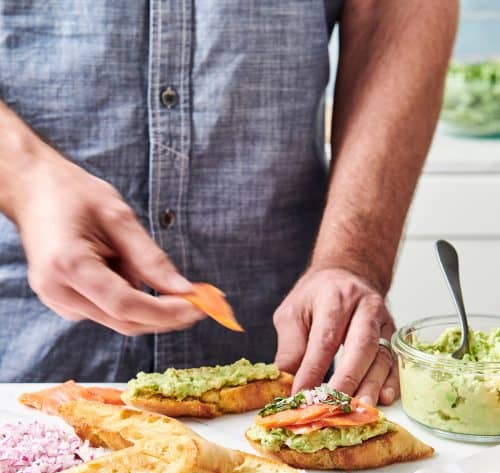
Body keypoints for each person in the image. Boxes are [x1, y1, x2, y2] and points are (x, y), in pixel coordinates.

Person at [0, 0, 458, 405]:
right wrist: (25, 177)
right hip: (22, 345)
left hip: (287, 359)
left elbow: (395, 10)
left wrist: (354, 259)